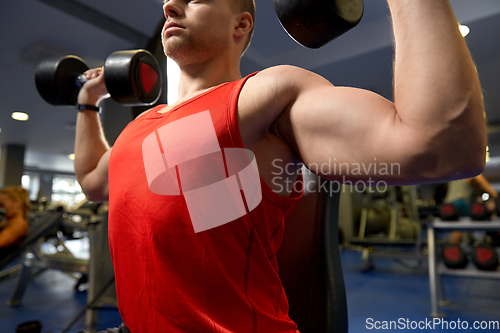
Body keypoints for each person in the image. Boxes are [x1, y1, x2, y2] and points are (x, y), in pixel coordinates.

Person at [74, 0, 486, 331]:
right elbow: (94, 182)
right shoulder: (140, 128)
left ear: (241, 25)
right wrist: (88, 103)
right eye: (168, 0)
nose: (170, 6)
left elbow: (442, 146)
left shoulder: (261, 97)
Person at [444, 175, 498, 244]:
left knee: (460, 231)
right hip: (461, 202)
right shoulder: (471, 172)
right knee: (461, 229)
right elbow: (489, 189)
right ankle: (460, 248)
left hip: (448, 205)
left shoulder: (453, 173)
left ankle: (458, 247)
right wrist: (495, 195)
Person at [0, 186, 30, 260]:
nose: (1, 209)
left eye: (2, 205)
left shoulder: (19, 225)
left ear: (17, 203)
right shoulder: (8, 221)